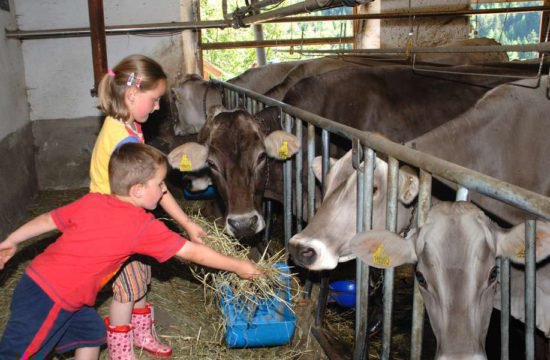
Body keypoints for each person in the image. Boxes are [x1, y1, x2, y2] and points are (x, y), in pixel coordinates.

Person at [0, 143, 262, 360]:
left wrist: (13, 239)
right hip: (51, 298)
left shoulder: (93, 201)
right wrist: (237, 265)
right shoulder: (140, 225)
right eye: (159, 184)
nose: (163, 191)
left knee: (91, 332)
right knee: (20, 353)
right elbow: (193, 252)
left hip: (46, 285)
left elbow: (48, 219)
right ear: (137, 190)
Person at [89, 54, 206, 357]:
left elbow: (157, 186)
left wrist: (186, 222)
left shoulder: (127, 126)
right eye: (154, 100)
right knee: (126, 291)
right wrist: (185, 224)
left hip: (131, 221)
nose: (156, 108)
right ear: (131, 95)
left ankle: (141, 335)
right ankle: (120, 349)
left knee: (140, 277)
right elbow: (158, 187)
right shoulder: (122, 140)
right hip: (113, 227)